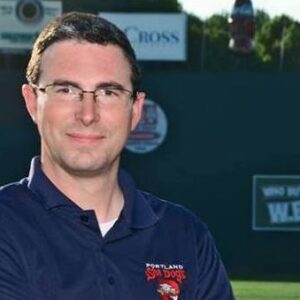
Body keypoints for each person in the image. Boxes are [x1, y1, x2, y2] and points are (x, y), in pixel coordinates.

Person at [0, 12, 235, 299]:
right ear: (32, 102)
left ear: (135, 110)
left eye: (108, 92)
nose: (88, 114)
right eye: (66, 90)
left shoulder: (186, 235)